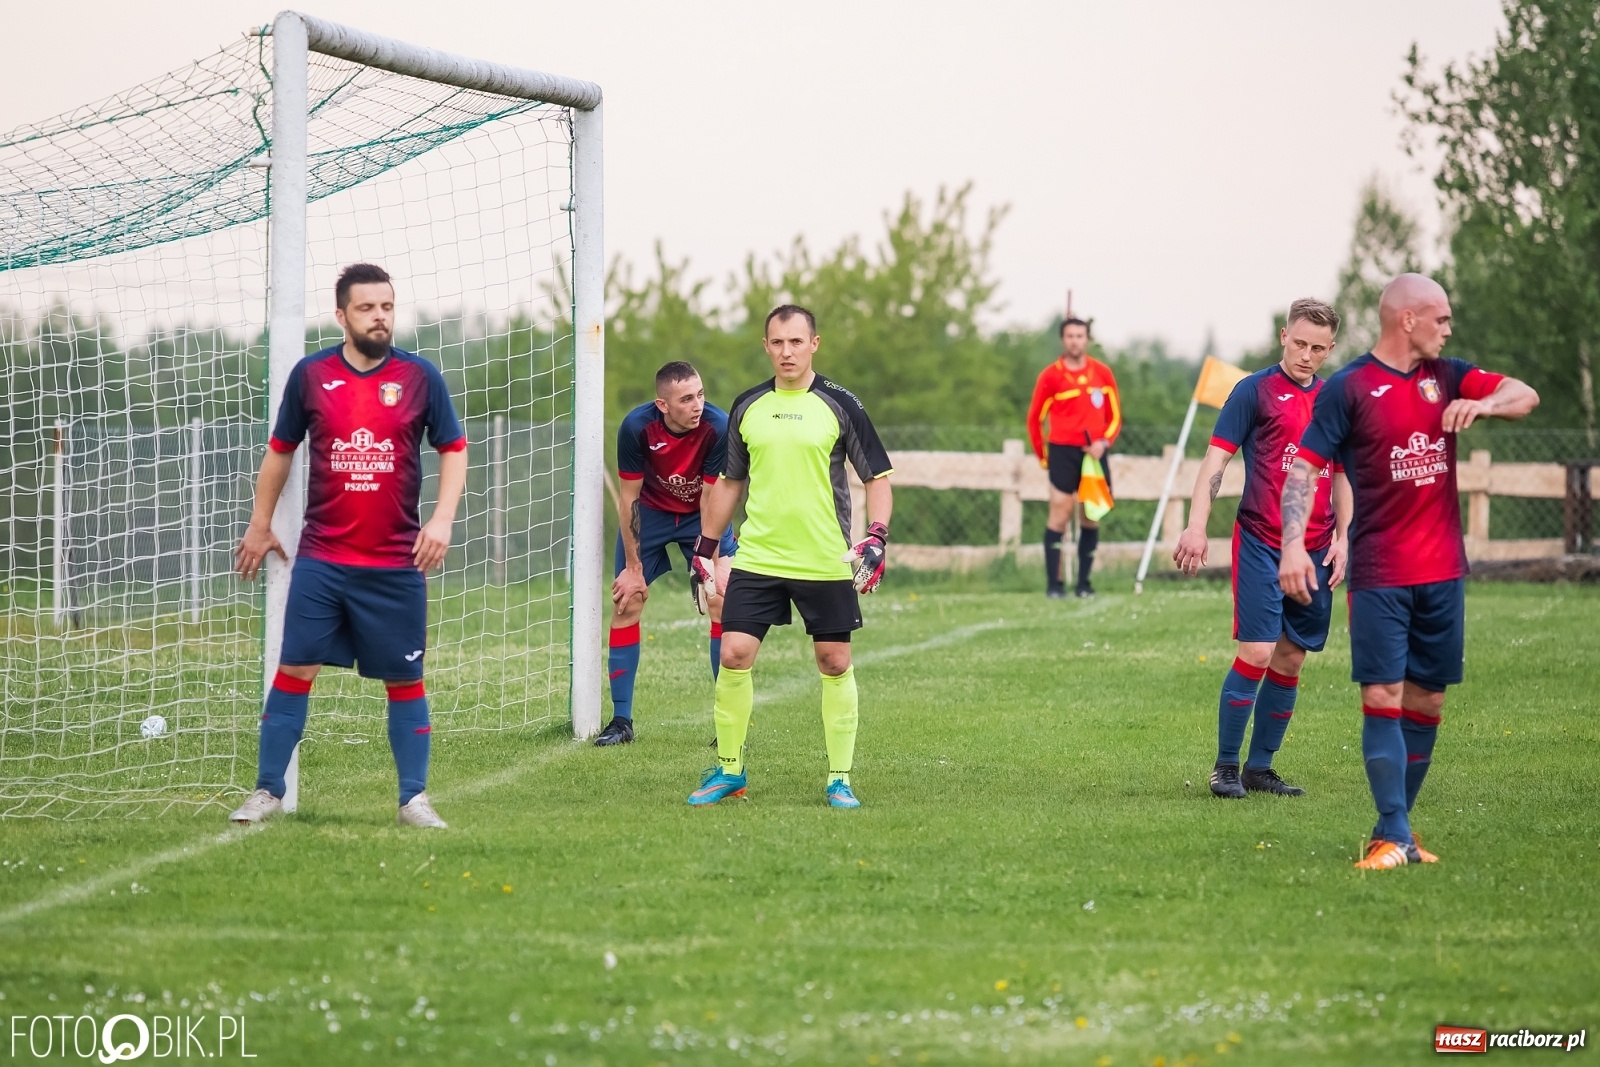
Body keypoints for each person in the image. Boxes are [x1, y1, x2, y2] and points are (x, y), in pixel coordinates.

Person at [1280, 273, 1537, 870]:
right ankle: (1395, 833)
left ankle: (1393, 831)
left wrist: (1485, 404)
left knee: (1427, 702)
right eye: (1441, 318)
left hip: (1443, 570)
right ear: (1408, 320)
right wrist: (1293, 545)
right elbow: (1303, 470)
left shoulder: (1448, 376)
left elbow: (1524, 395)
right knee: (1382, 693)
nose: (1448, 329)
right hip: (1380, 571)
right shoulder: (1348, 388)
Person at [230, 263, 467, 829]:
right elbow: (280, 450)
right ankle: (266, 791)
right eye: (366, 308)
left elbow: (453, 448)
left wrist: (441, 520)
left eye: (386, 306)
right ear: (342, 315)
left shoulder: (420, 376)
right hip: (324, 559)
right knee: (295, 668)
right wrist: (260, 523)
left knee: (405, 680)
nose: (379, 317)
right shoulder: (311, 376)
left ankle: (413, 800)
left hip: (396, 563)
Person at [685, 305, 894, 809]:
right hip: (758, 556)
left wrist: (877, 537)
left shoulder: (841, 404)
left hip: (825, 559)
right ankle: (730, 770)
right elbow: (730, 482)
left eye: (796, 341)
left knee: (834, 661)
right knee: (734, 654)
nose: (787, 352)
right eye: (777, 342)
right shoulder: (748, 405)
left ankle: (839, 779)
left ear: (814, 344)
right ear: (766, 346)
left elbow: (877, 478)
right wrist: (705, 549)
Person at [1174, 299, 1351, 799]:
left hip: (1316, 547)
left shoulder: (1335, 400)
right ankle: (1225, 767)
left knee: (1291, 659)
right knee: (1257, 650)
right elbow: (1215, 463)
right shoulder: (1253, 391)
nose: (1306, 355)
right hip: (1261, 540)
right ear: (1283, 337)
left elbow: (1343, 475)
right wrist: (1196, 526)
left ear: (1330, 349)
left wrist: (1345, 538)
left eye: (1318, 348)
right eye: (1300, 343)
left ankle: (1260, 768)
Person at [595, 361, 737, 747]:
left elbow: (712, 498)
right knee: (627, 600)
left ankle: (729, 723)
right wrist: (633, 568)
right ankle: (621, 721)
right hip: (652, 514)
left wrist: (710, 559)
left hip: (701, 516)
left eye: (700, 395)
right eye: (686, 399)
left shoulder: (718, 426)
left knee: (721, 599)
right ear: (662, 405)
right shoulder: (636, 427)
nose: (698, 405)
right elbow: (629, 499)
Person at [1026, 317, 1122, 597]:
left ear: (1087, 339)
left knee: (1091, 516)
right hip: (1062, 451)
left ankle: (1084, 584)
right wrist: (1044, 457)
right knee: (1059, 514)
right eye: (1070, 336)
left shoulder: (1102, 374)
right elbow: (1034, 419)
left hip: (1094, 453)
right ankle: (1054, 585)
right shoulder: (1050, 376)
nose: (1075, 341)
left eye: (1080, 336)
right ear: (1063, 339)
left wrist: (1104, 442)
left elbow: (1115, 417)